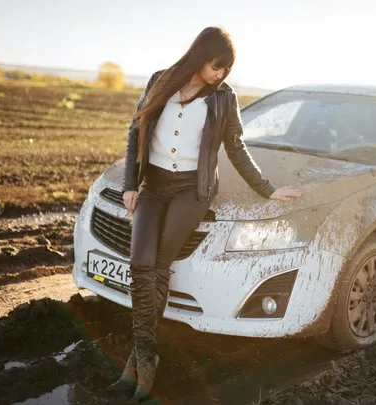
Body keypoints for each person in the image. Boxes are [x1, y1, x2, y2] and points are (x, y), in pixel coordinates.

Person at [106, 26, 302, 400]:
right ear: (200, 56)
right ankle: (144, 358)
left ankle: (139, 369)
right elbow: (136, 133)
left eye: (226, 70)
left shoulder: (224, 98)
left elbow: (236, 147)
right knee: (140, 266)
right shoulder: (159, 82)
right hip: (154, 186)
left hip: (190, 192)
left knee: (157, 266)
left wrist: (268, 189)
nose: (220, 75)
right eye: (217, 67)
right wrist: (131, 184)